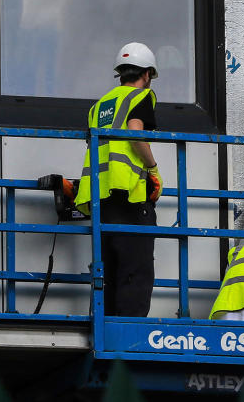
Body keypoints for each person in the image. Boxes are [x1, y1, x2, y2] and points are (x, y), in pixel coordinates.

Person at [74, 42, 164, 317]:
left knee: (107, 269)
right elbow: (135, 132)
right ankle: (130, 333)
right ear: (147, 74)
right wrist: (153, 168)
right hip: (129, 194)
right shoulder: (141, 97)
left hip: (101, 198)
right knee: (135, 270)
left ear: (120, 73)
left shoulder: (100, 105)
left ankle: (106, 325)